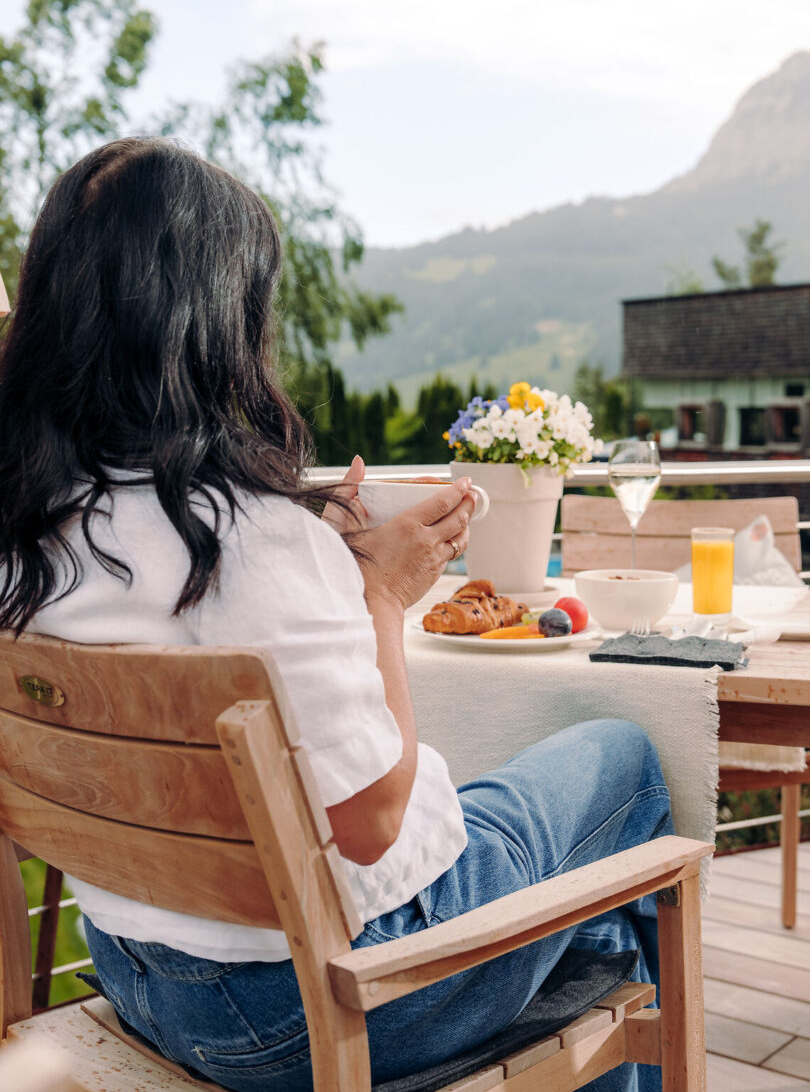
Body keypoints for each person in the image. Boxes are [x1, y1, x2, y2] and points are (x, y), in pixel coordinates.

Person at [0, 139, 672, 1091]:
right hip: (312, 1007)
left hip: (129, 967)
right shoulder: (247, 537)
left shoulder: (28, 528)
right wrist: (378, 593)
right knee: (625, 763)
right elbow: (374, 820)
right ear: (213, 317)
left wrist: (331, 566)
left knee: (579, 912)